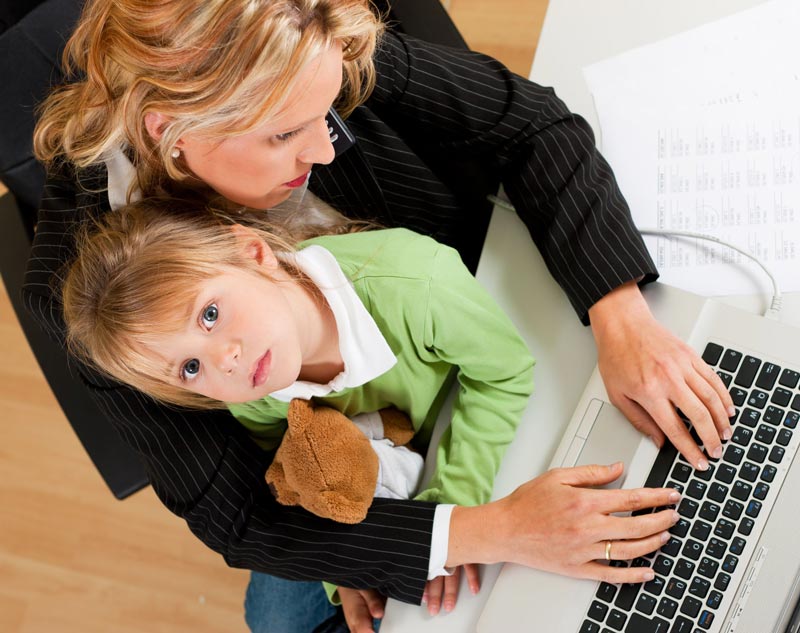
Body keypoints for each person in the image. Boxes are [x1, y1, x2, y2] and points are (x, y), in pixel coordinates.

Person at [26, 0, 734, 630]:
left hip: (460, 332)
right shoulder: (88, 298)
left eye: (324, 112)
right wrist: (465, 533)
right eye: (284, 135)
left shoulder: (299, 45)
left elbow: (528, 124)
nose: (325, 147)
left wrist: (620, 315)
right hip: (328, 448)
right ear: (171, 130)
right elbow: (236, 511)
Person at [61, 196, 536, 613]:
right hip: (384, 483)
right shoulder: (254, 394)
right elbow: (298, 473)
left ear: (254, 252)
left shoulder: (414, 284)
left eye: (210, 314)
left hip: (474, 445)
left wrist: (450, 508)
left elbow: (505, 370)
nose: (225, 361)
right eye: (189, 367)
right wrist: (344, 568)